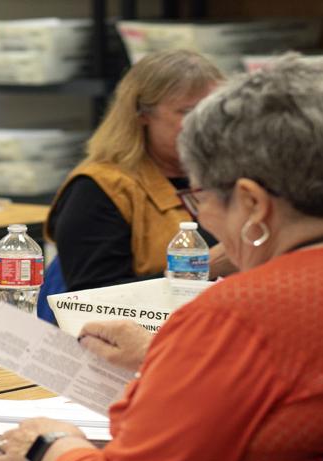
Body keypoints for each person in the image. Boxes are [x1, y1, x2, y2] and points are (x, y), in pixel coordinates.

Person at [0, 56, 323, 461]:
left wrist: (50, 444)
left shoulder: (234, 318)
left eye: (202, 198)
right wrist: (165, 353)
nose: (201, 216)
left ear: (252, 203)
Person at [44, 48, 230, 293]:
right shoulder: (99, 188)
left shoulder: (231, 175)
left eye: (211, 110)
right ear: (141, 113)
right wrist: (204, 267)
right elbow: (91, 298)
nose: (204, 123)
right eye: (187, 112)